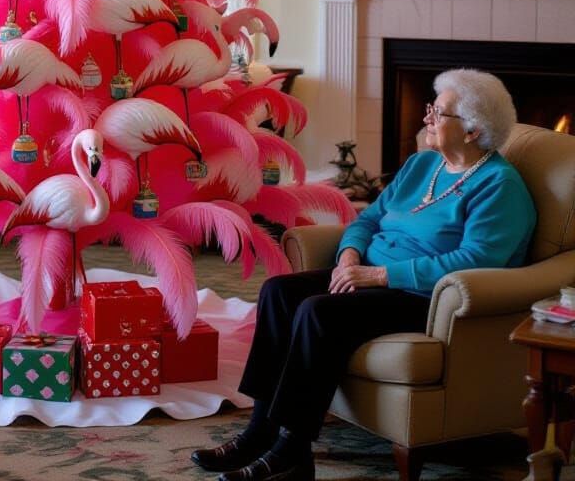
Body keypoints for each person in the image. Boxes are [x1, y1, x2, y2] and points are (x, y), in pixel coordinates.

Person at [191, 68, 536, 481]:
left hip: (424, 297)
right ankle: (259, 430)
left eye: (438, 112)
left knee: (319, 313)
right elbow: (369, 217)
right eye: (430, 107)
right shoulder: (422, 166)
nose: (427, 118)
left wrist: (380, 276)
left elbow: (476, 260)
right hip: (369, 273)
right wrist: (350, 255)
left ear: (473, 131)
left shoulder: (500, 186)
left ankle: (292, 450)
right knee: (278, 293)